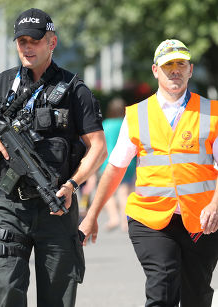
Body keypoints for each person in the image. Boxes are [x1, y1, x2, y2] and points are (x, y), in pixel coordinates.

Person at [0, 8, 107, 307]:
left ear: (51, 42)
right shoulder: (0, 85)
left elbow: (99, 147)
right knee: (7, 291)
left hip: (57, 207)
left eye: (34, 41)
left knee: (58, 297)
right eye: (21, 41)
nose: (27, 47)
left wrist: (73, 185)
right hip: (10, 206)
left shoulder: (74, 90)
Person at [79, 39, 218, 307]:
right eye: (168, 65)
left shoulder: (211, 113)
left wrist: (215, 204)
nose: (175, 70)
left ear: (191, 69)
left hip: (202, 219)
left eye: (181, 64)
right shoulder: (136, 115)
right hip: (150, 218)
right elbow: (116, 168)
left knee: (197, 294)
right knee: (162, 286)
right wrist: (93, 215)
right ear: (156, 71)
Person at [99, 98, 136, 232]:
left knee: (108, 192)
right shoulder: (127, 123)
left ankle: (113, 218)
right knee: (124, 192)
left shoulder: (106, 124)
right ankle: (125, 221)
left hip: (109, 162)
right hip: (128, 162)